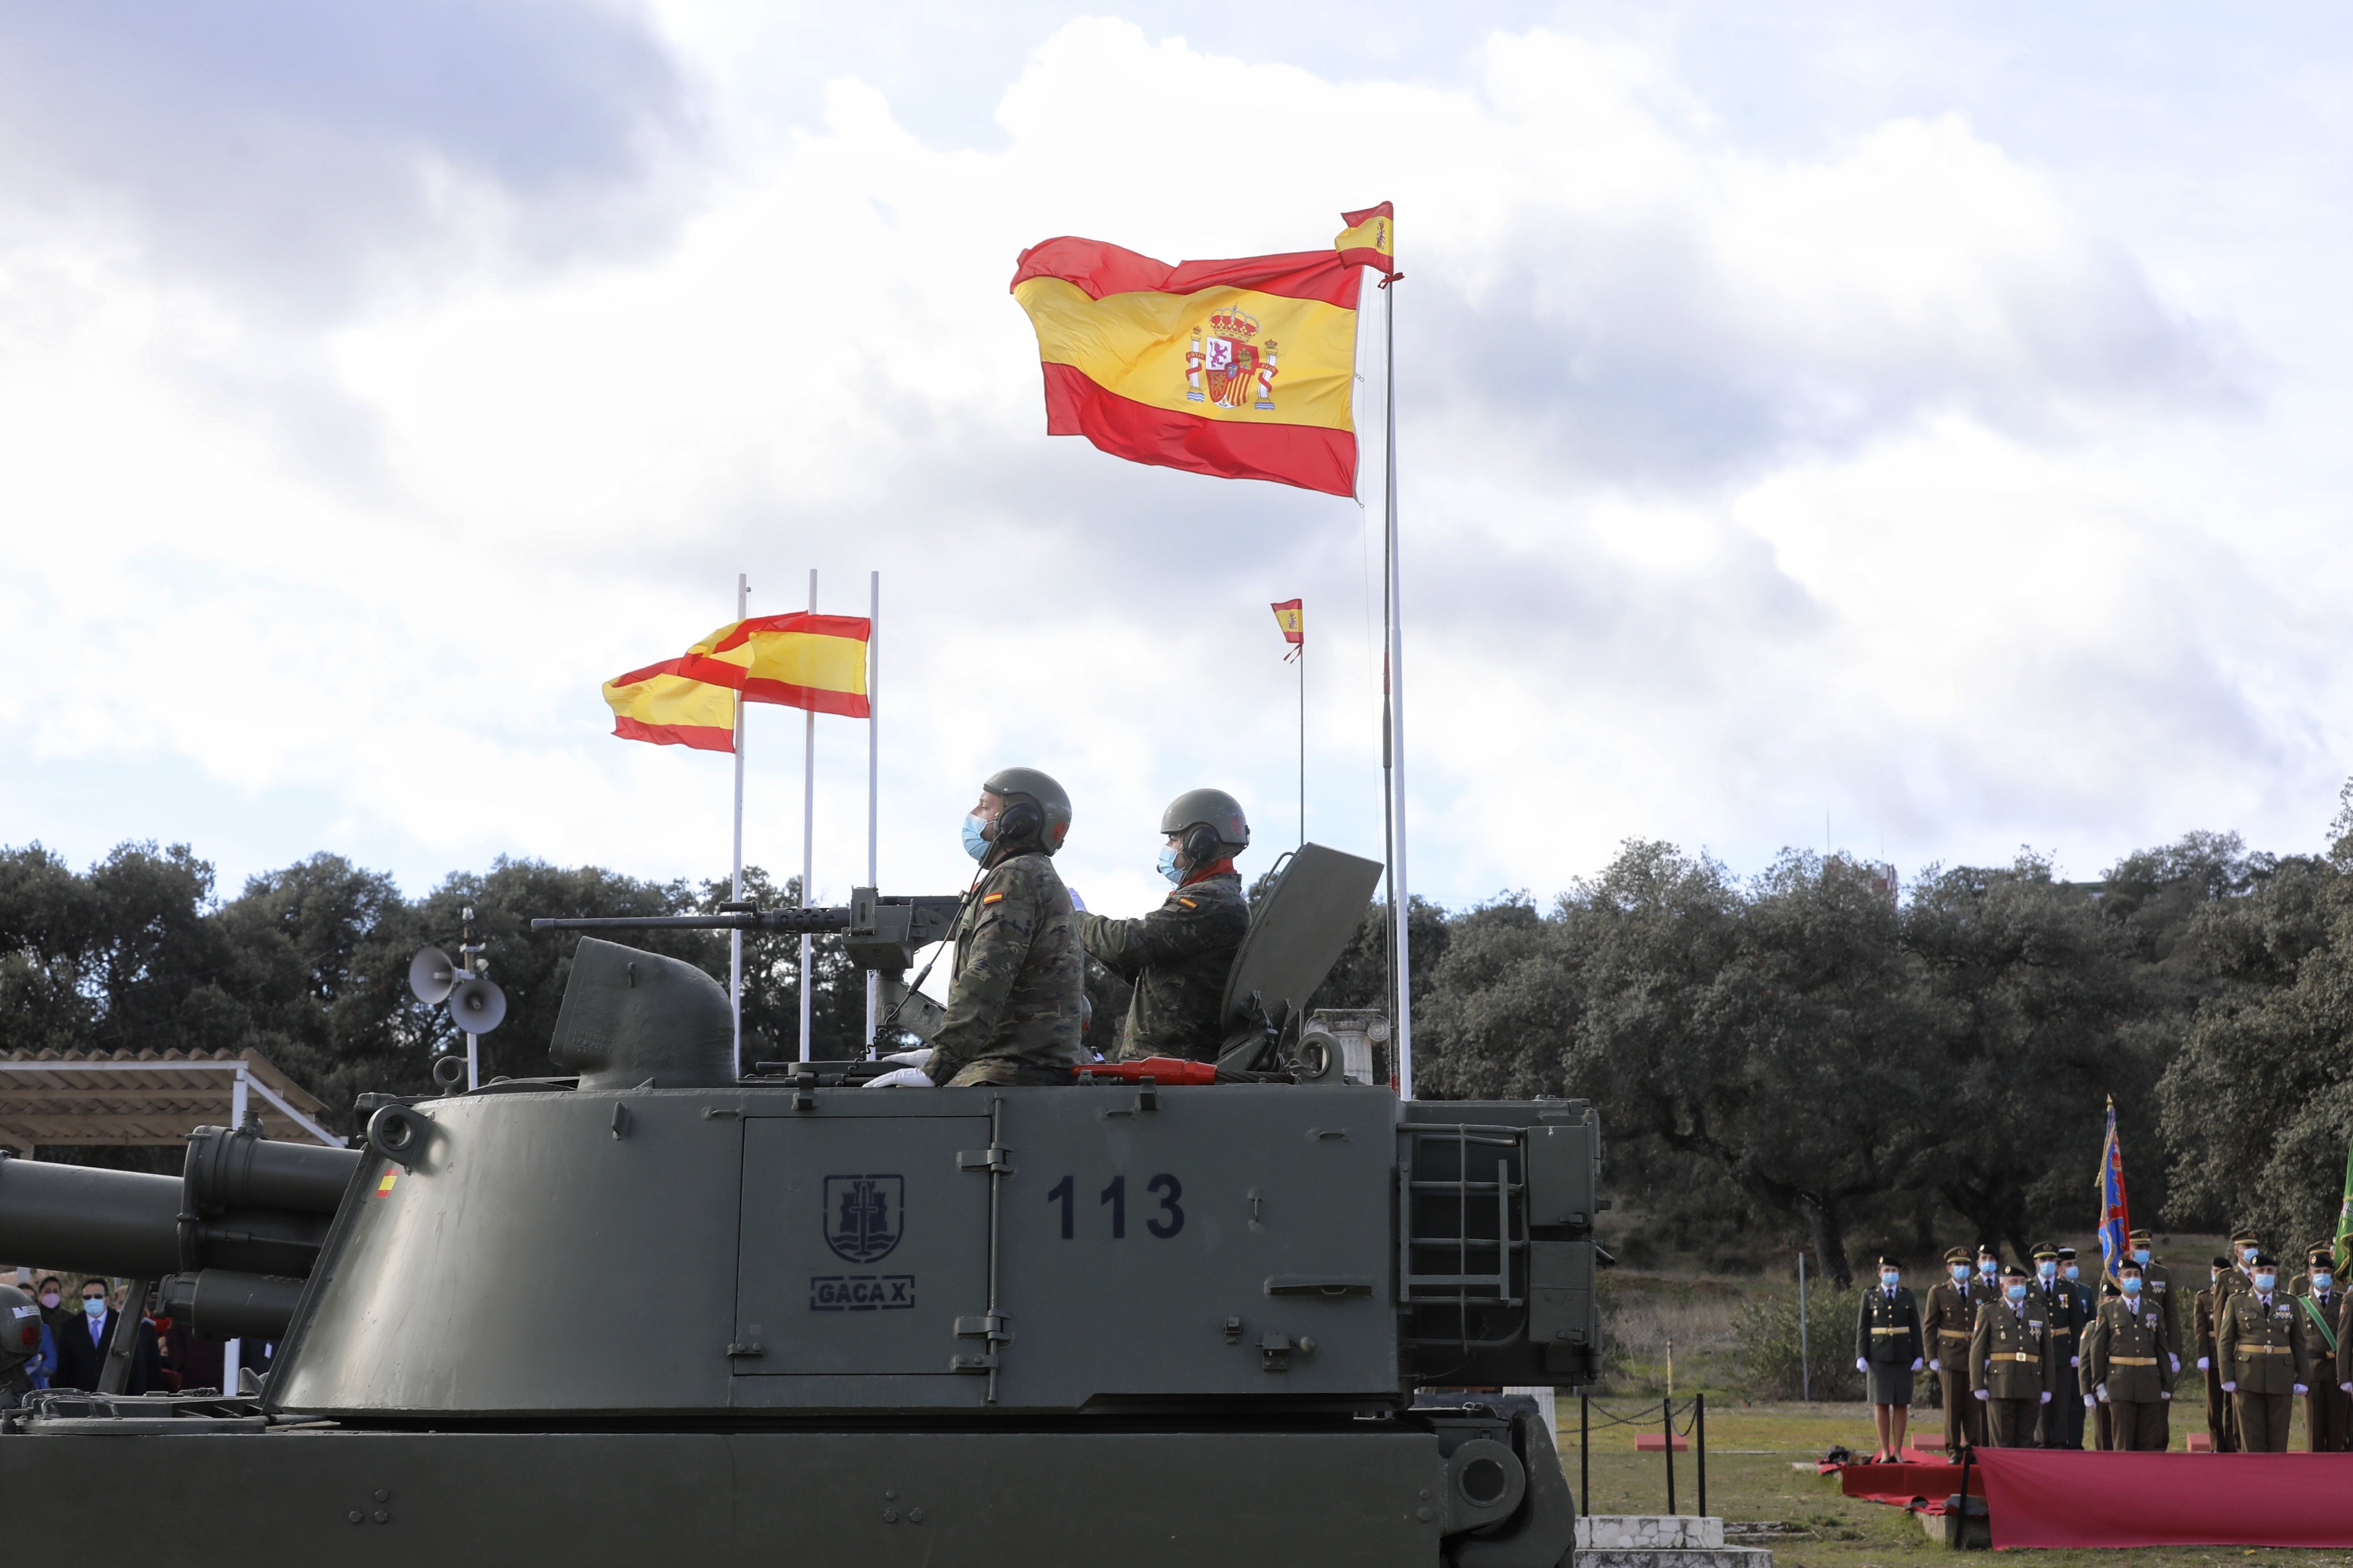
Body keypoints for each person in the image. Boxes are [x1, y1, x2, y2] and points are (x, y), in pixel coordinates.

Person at [923, 767, 1086, 1089]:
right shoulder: (1028, 873)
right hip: (1017, 1066)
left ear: (1019, 821)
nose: (973, 814)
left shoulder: (1015, 876)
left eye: (984, 806)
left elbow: (987, 977)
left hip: (1008, 1073)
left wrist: (939, 1066)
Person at [1073, 788, 1252, 1062]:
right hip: (1165, 1063)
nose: (1167, 848)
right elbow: (1143, 970)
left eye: (1173, 839)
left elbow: (1128, 944)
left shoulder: (1211, 900)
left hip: (1171, 1065)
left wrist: (1076, 917)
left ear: (1200, 844)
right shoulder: (1214, 897)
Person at [2216, 1250, 2307, 1453]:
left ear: (2276, 1275)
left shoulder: (2290, 1302)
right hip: (2248, 1378)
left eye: (2270, 1271)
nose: (2266, 1275)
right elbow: (2225, 1342)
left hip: (2281, 1377)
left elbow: (2299, 1343)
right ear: (2251, 1275)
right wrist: (2227, 1376)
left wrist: (2302, 1378)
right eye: (2261, 1271)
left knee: (2278, 1441)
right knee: (2251, 1441)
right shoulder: (2236, 1302)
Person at [2081, 1259, 2172, 1451]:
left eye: (2136, 1275)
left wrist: (2166, 1384)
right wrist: (2099, 1385)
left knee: (2148, 1443)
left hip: (2149, 1384)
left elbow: (2162, 1349)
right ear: (2120, 1281)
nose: (2133, 1279)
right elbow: (2097, 1350)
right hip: (2119, 1385)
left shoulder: (2154, 1310)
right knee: (2122, 1443)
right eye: (2128, 1275)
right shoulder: (2107, 1310)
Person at [1970, 1262, 2055, 1448]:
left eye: (2022, 1282)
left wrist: (2048, 1386)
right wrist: (1977, 1384)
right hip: (2001, 1384)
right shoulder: (1989, 1310)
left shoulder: (2038, 1311)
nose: (2019, 1286)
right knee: (2002, 1440)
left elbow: (2047, 1351)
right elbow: (1977, 1349)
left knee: (2026, 1440)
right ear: (2003, 1286)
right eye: (2014, 1282)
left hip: (2030, 1382)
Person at [1854, 1254, 1924, 1461]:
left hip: (1904, 1355)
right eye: (1887, 1271)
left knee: (1902, 1404)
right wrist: (1861, 1355)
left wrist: (1919, 1355)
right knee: (1881, 1403)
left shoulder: (1908, 1296)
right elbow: (1863, 1328)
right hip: (1879, 1357)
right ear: (1879, 1273)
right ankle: (1885, 1451)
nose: (1891, 1275)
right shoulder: (1870, 1296)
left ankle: (1899, 1451)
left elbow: (1915, 1328)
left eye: (1894, 1271)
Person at [1921, 1246, 1983, 1457]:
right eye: (1958, 1265)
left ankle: (1974, 1448)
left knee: (1974, 1408)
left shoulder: (1980, 1291)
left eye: (1966, 1264)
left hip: (1975, 1354)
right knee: (1952, 1407)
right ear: (1949, 1268)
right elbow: (1930, 1327)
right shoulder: (1938, 1292)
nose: (1962, 1269)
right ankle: (1953, 1449)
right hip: (1949, 1355)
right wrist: (1931, 1357)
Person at [2030, 1243, 2087, 1448]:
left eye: (2052, 1260)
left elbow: (2076, 1323)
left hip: (2063, 1352)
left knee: (2062, 1401)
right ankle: (2041, 1442)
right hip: (2038, 1353)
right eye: (2043, 1260)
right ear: (2036, 1263)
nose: (2048, 1264)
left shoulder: (2068, 1288)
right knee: (2041, 1402)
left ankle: (2059, 1442)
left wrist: (2076, 1353)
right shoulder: (2029, 1288)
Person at [2295, 1244, 2346, 1451]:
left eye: (2326, 1272)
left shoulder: (2344, 1302)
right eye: (2318, 1272)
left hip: (2338, 1373)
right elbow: (2296, 1344)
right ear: (2310, 1274)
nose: (2322, 1276)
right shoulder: (2299, 1304)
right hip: (2312, 1373)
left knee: (2337, 1435)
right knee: (2314, 1435)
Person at [2195, 1255, 2239, 1452]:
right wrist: (2202, 1355)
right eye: (2215, 1272)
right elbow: (2200, 1331)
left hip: (2232, 1354)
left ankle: (2231, 1442)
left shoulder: (2236, 1297)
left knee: (2233, 1404)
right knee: (2214, 1403)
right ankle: (2216, 1443)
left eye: (2221, 1272)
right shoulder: (2204, 1297)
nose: (2217, 1275)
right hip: (2212, 1354)